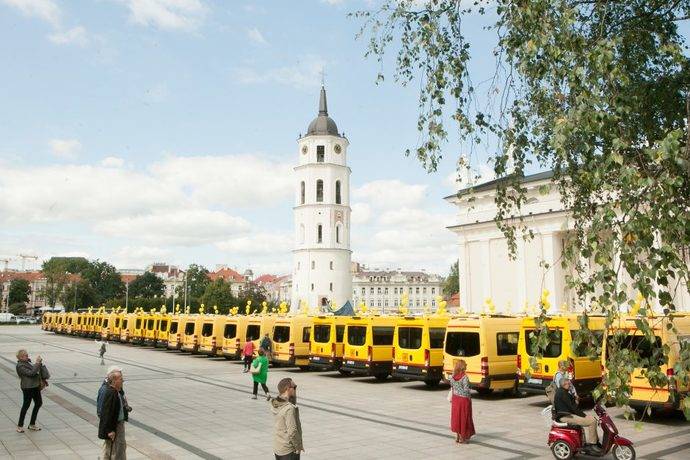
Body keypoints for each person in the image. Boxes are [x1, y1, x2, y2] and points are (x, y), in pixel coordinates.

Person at [554, 378, 599, 449]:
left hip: (567, 414)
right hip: (566, 416)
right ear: (564, 384)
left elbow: (573, 404)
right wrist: (584, 416)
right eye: (568, 384)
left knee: (593, 419)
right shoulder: (563, 393)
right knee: (592, 421)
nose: (570, 386)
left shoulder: (563, 391)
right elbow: (573, 408)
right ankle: (593, 444)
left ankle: (596, 441)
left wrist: (576, 399)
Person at [16, 349, 50, 433]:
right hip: (27, 388)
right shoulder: (20, 366)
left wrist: (43, 379)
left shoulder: (28, 362)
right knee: (26, 405)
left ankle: (32, 424)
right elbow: (31, 373)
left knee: (38, 403)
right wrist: (37, 363)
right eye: (25, 355)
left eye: (27, 355)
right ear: (20, 357)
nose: (27, 356)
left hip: (35, 386)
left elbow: (37, 372)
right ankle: (20, 426)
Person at [271, 378, 304, 460]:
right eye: (295, 387)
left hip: (278, 446)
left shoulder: (276, 403)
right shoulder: (289, 408)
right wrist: (298, 446)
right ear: (287, 389)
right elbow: (292, 430)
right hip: (289, 450)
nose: (296, 389)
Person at [98, 368, 127, 459]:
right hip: (115, 426)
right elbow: (107, 412)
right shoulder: (111, 393)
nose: (123, 380)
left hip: (116, 424)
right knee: (116, 451)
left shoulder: (115, 392)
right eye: (121, 379)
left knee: (115, 449)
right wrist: (110, 430)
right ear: (114, 381)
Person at [447, 359, 475, 444]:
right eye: (465, 365)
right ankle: (463, 437)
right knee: (464, 418)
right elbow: (466, 390)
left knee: (456, 417)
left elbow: (452, 386)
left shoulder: (452, 377)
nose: (466, 366)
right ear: (462, 367)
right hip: (463, 400)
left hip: (455, 399)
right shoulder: (464, 377)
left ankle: (458, 437)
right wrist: (469, 398)